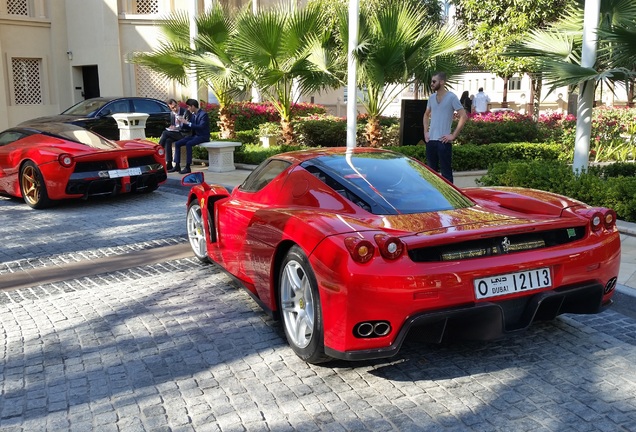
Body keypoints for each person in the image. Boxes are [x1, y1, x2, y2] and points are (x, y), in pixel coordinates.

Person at [422, 72, 468, 183]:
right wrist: (426, 132)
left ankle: (449, 199)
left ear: (442, 82)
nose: (431, 84)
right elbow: (426, 114)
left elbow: (464, 116)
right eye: (431, 81)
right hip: (431, 141)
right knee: (430, 175)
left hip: (443, 142)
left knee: (446, 175)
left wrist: (453, 135)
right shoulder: (431, 98)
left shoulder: (452, 97)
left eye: (434, 81)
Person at [169, 99, 210, 174]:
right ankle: (177, 165)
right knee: (178, 143)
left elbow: (201, 127)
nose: (188, 109)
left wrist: (188, 122)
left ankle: (188, 167)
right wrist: (181, 123)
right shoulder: (193, 114)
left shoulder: (203, 114)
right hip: (195, 136)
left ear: (193, 106)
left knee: (189, 144)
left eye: (189, 107)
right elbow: (189, 126)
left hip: (203, 136)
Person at [159, 99, 191, 171]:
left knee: (165, 133)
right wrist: (172, 127)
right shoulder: (172, 113)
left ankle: (159, 149)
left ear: (177, 104)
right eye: (172, 108)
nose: (175, 109)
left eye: (175, 106)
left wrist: (181, 124)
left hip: (184, 134)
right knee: (168, 140)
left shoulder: (185, 112)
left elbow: (189, 127)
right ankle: (169, 163)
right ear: (170, 108)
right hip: (177, 133)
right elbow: (173, 125)